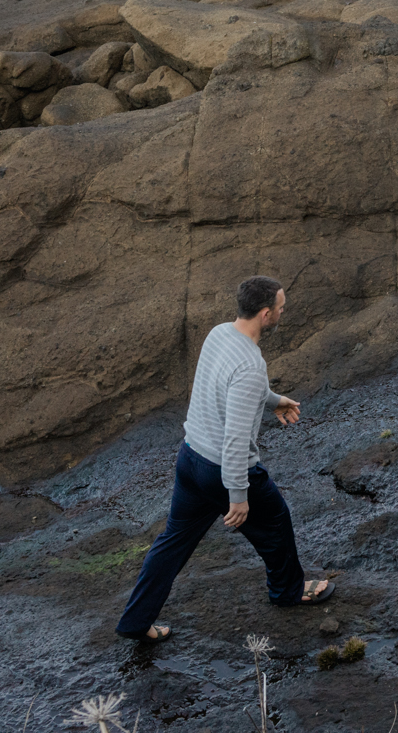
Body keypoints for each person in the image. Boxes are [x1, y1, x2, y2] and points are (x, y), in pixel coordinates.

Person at [115, 275, 331, 642]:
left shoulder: (219, 334)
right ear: (265, 314)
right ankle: (288, 591)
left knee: (173, 541)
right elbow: (235, 436)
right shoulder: (250, 364)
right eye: (280, 308)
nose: (283, 312)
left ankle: (135, 622)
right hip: (221, 470)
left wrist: (273, 399)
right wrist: (238, 495)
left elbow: (228, 384)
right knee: (275, 520)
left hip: (190, 458)